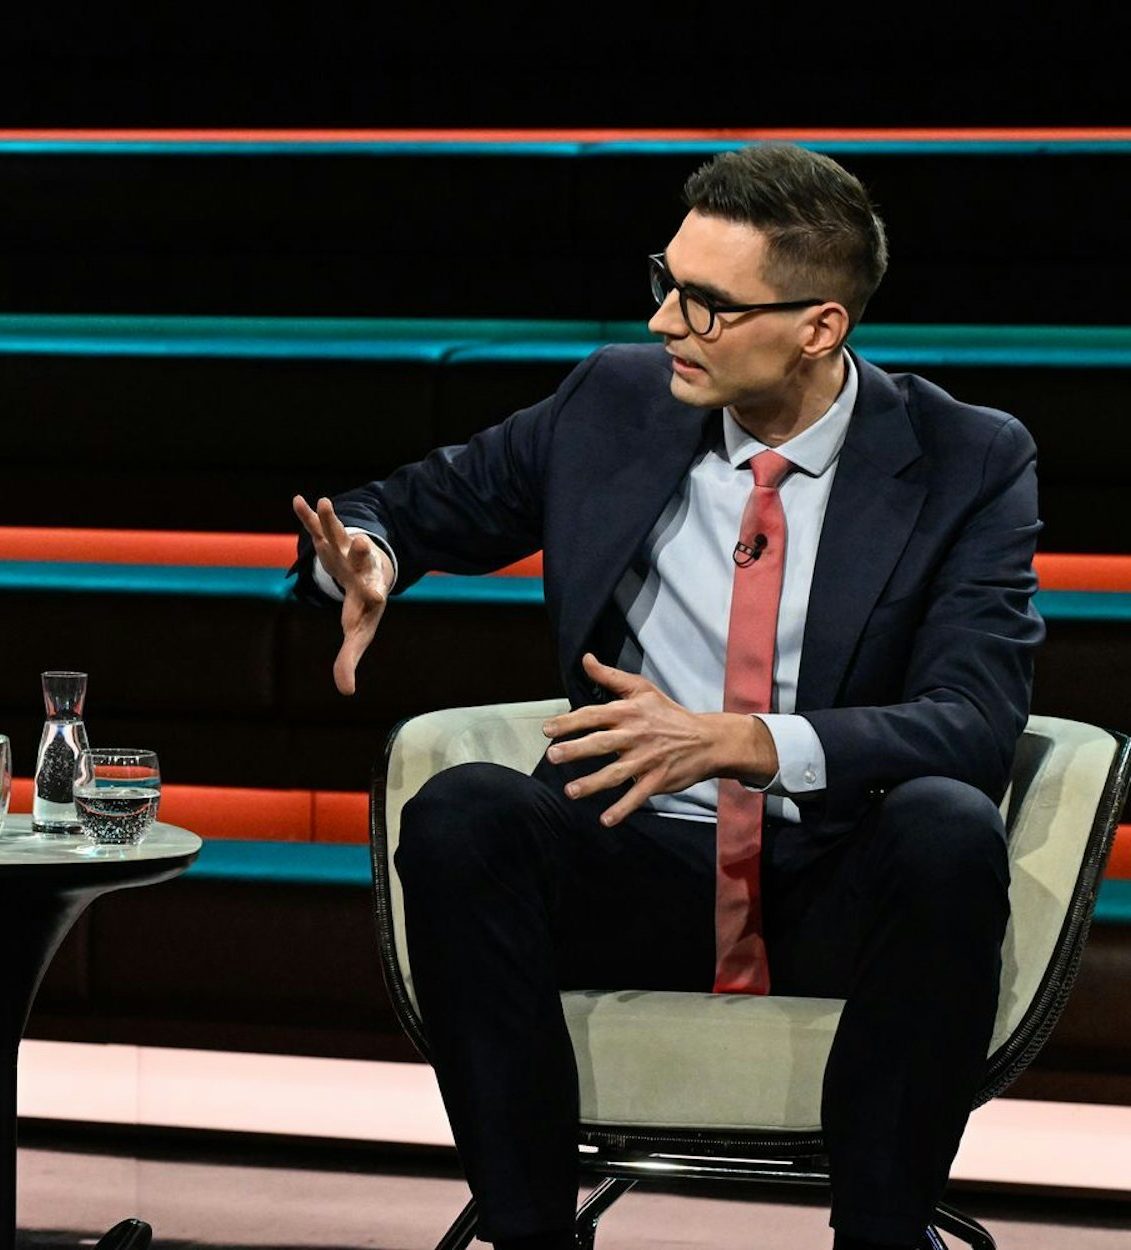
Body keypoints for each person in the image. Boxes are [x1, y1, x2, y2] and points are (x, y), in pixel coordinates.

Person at [293, 143, 1039, 1250]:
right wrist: (369, 558)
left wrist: (742, 740)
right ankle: (528, 1233)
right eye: (664, 282)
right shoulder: (610, 400)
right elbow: (410, 505)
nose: (662, 325)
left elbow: (971, 718)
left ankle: (880, 1236)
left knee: (947, 827)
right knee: (461, 814)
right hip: (627, 864)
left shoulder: (965, 458)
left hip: (830, 878)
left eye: (703, 303)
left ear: (818, 326)